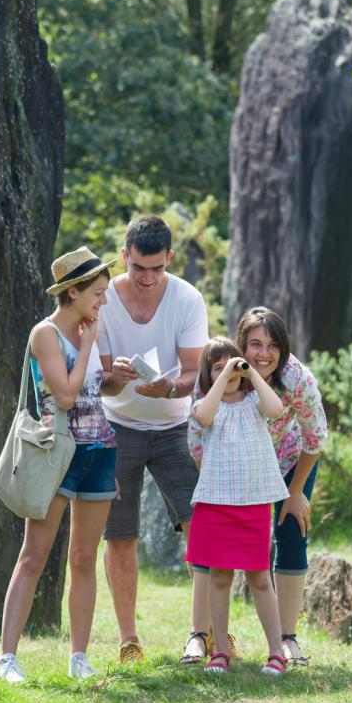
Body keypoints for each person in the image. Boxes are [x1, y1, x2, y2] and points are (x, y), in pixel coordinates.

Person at [0, 247, 117, 684]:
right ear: (73, 291)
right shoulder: (45, 334)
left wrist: (116, 371)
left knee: (84, 558)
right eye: (98, 293)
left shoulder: (87, 331)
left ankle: (79, 657)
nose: (103, 300)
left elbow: (91, 389)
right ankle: (6, 657)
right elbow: (64, 395)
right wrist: (87, 347)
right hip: (57, 452)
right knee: (34, 555)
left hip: (99, 450)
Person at [98, 216, 210, 664]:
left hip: (174, 427)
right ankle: (129, 638)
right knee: (119, 535)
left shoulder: (187, 298)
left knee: (199, 524)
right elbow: (101, 382)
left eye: (156, 270)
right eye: (138, 268)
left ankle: (203, 632)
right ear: (125, 256)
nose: (146, 279)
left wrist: (171, 388)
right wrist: (117, 378)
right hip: (117, 425)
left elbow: (193, 373)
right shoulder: (103, 299)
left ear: (169, 259)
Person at [188, 306, 327, 665]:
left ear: (283, 348)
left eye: (272, 346)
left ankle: (286, 639)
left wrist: (295, 492)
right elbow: (197, 432)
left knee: (291, 533)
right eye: (254, 345)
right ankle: (200, 636)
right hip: (232, 475)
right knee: (214, 555)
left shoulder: (296, 378)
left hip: (290, 459)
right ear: (240, 347)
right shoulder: (222, 375)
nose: (263, 354)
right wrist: (213, 481)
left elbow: (315, 437)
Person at [185, 337, 289, 674]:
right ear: (208, 376)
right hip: (216, 503)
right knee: (219, 577)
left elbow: (277, 409)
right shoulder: (207, 405)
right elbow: (202, 417)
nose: (229, 371)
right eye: (218, 367)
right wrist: (221, 377)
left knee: (260, 578)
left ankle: (276, 651)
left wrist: (249, 374)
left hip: (253, 503)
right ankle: (220, 652)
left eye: (234, 364)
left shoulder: (255, 402)